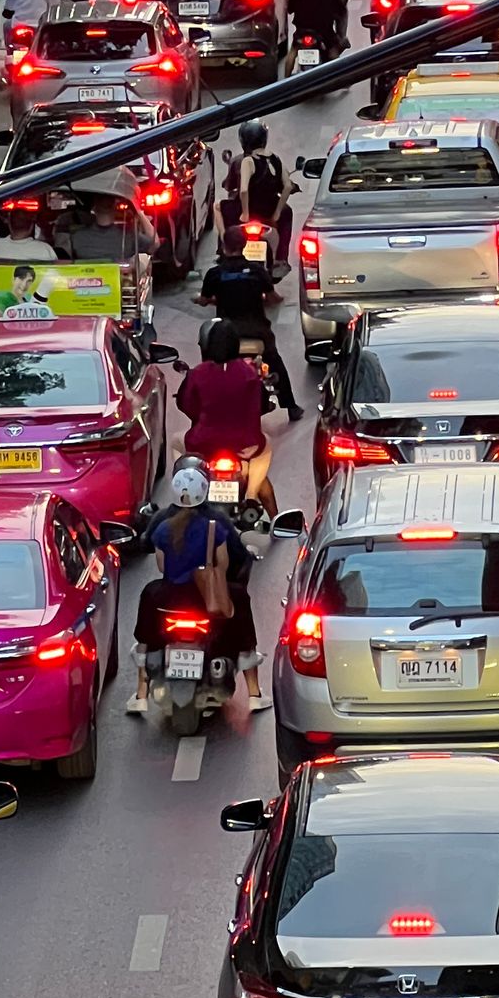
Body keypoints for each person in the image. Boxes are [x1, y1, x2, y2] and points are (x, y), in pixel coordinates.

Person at [125, 460, 267, 716]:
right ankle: (254, 692)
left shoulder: (163, 524)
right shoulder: (216, 523)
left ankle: (141, 693)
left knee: (147, 598)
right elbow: (224, 563)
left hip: (170, 600)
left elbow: (161, 565)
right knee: (240, 599)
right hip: (206, 599)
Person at [175, 318, 278, 508]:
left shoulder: (197, 373)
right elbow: (260, 406)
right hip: (245, 444)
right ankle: (251, 496)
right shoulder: (249, 373)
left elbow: (186, 405)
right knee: (267, 445)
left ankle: (186, 487)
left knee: (175, 442)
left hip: (203, 444)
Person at [197, 233, 300, 419]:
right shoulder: (257, 271)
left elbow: (204, 300)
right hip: (257, 330)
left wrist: (209, 300)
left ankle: (207, 405)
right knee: (274, 361)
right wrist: (279, 299)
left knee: (210, 363)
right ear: (244, 246)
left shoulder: (215, 274)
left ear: (224, 247)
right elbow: (272, 298)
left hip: (226, 333)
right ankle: (291, 406)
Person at [223, 119, 298, 267]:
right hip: (269, 210)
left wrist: (245, 213)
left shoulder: (243, 161)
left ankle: (225, 249)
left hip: (246, 210)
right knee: (287, 212)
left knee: (220, 208)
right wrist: (277, 213)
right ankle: (281, 258)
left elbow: (240, 189)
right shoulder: (275, 159)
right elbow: (288, 186)